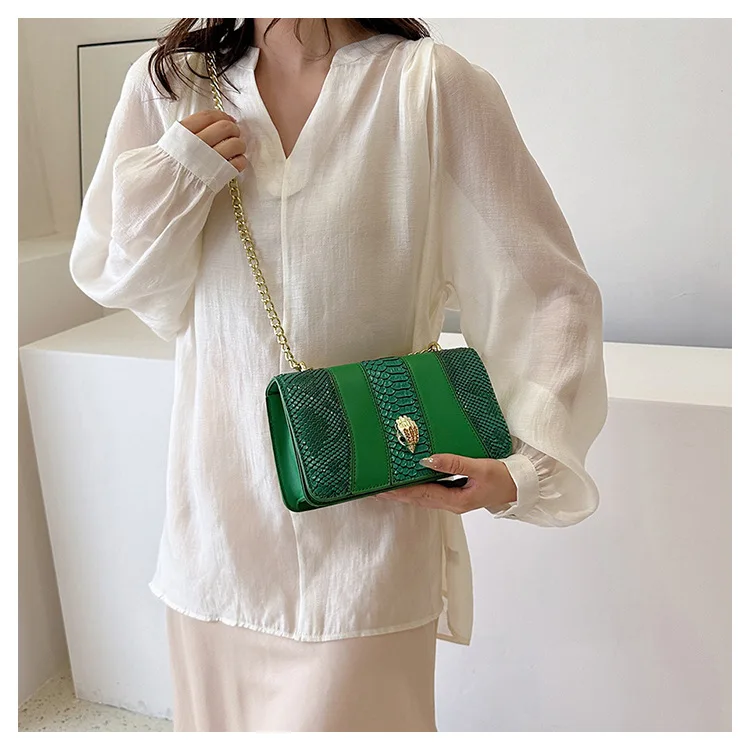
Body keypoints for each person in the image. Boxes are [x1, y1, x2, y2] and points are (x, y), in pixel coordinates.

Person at [69, 18, 608, 732]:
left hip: (373, 540)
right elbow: (120, 277)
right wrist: (177, 174)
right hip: (218, 534)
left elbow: (549, 288)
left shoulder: (429, 86)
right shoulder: (172, 85)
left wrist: (527, 467)